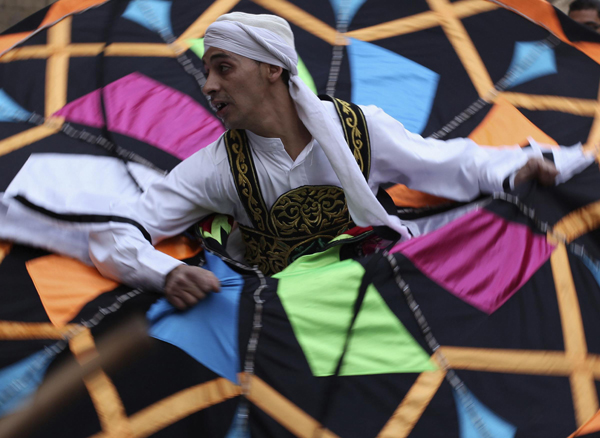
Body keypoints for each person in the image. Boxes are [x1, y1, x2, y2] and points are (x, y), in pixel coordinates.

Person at [89, 12, 561, 310]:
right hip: (292, 324)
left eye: (223, 67)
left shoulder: (362, 129)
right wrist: (167, 273)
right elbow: (115, 229)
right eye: (208, 70)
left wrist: (516, 169)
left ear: (272, 68)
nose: (209, 84)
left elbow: (444, 164)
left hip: (383, 297)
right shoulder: (218, 168)